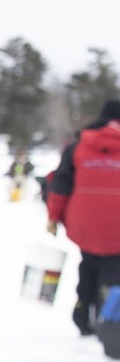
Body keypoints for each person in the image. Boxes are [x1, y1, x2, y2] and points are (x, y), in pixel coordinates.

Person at [45, 97, 120, 339]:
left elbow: (60, 184)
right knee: (113, 271)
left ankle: (82, 315)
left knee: (88, 264)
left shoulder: (79, 144)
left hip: (83, 222)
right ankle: (108, 320)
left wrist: (53, 217)